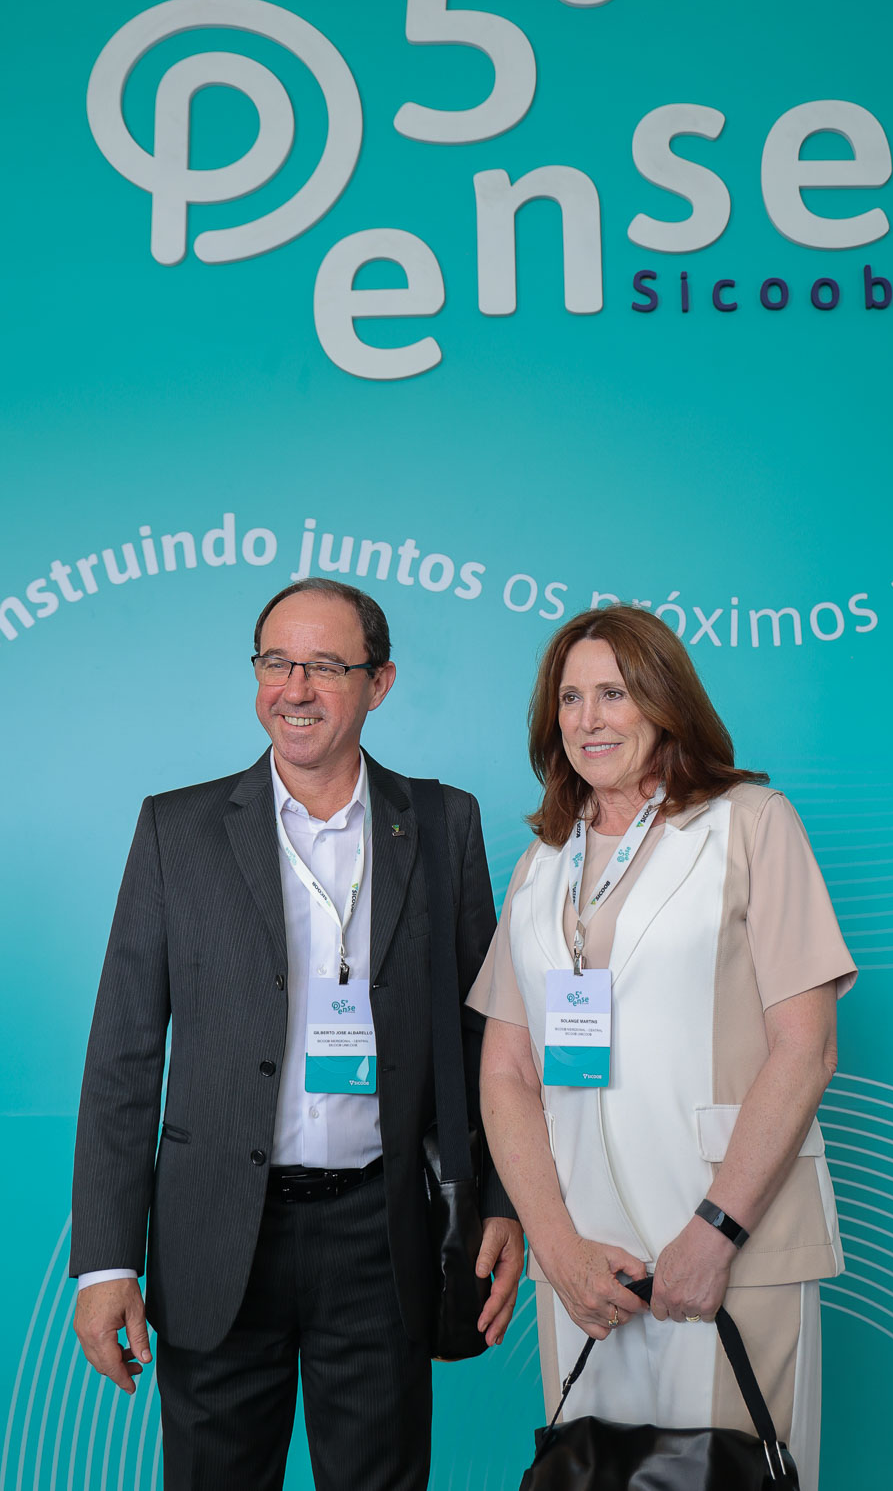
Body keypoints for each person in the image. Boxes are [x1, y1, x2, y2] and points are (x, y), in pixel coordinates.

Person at [71, 577, 524, 1491]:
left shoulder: (444, 823)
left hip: (381, 1233)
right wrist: (105, 1263)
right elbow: (123, 1055)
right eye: (276, 663)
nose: (296, 689)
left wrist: (502, 1201)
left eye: (325, 666)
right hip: (215, 1238)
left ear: (379, 683)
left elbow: (485, 1039)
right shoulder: (175, 829)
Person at [469, 606, 856, 1491]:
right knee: (588, 1472)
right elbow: (507, 1072)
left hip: (729, 1238)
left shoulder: (752, 824)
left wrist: (715, 1233)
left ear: (665, 702)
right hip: (587, 1265)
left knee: (729, 1473)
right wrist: (557, 1247)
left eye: (614, 693)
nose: (588, 719)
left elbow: (806, 1049)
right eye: (570, 697)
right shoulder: (543, 862)